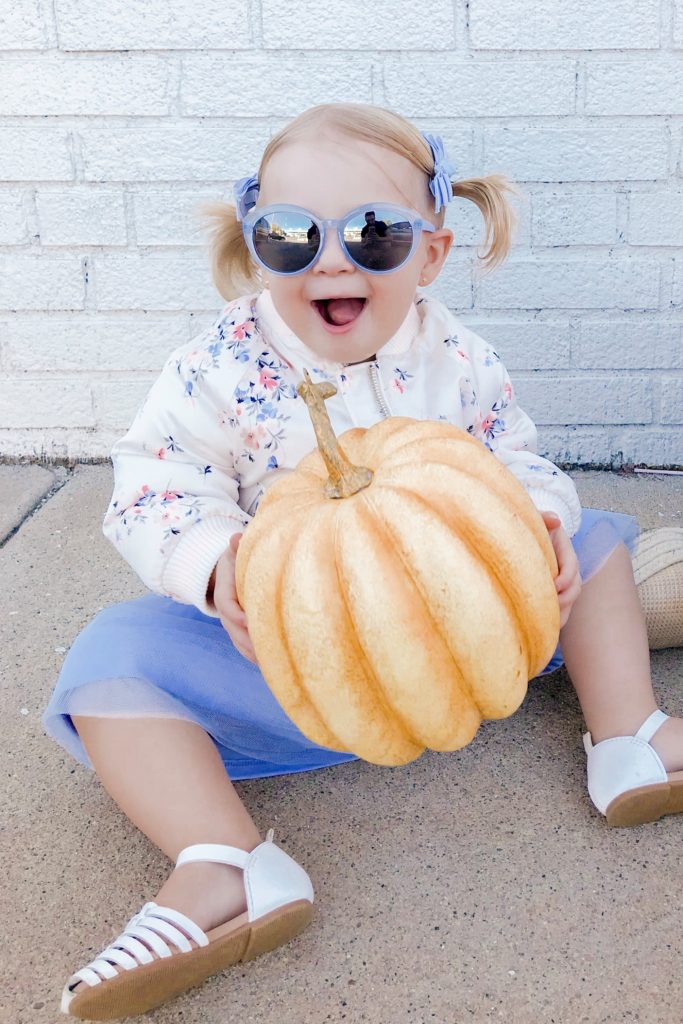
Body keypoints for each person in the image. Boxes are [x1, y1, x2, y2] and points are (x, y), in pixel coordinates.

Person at [42, 102, 683, 1021]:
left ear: (430, 253)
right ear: (255, 244)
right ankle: (224, 862)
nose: (332, 261)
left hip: (466, 634)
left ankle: (630, 740)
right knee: (108, 661)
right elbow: (154, 487)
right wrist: (221, 571)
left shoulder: (452, 357)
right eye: (291, 236)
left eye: (374, 236)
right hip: (293, 663)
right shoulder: (214, 369)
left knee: (592, 539)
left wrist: (535, 521)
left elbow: (515, 451)